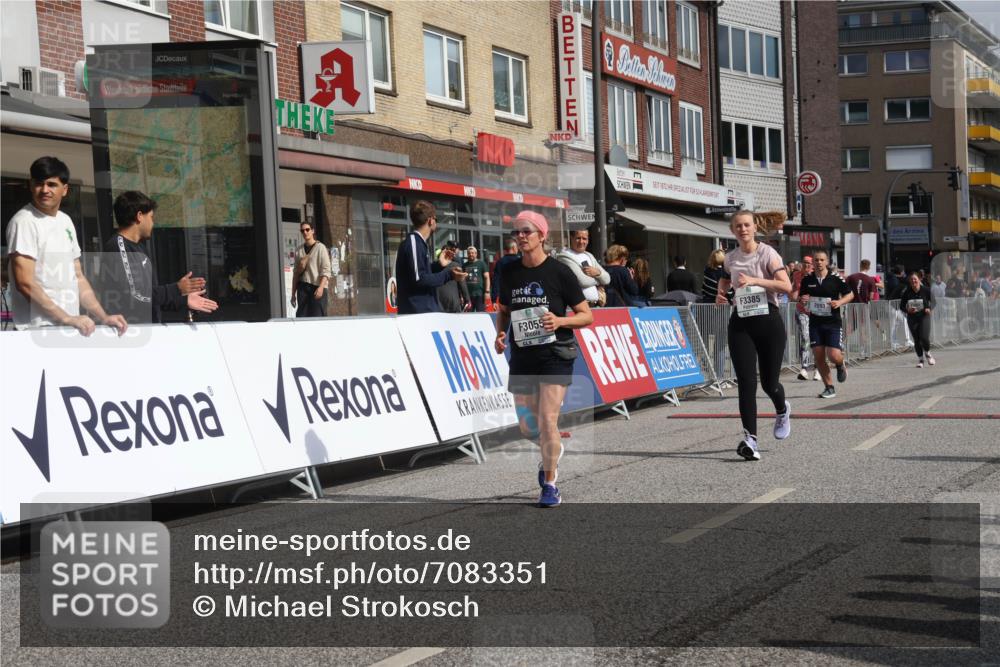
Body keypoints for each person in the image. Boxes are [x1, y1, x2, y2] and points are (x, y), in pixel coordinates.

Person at [495, 211, 592, 507]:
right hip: (522, 355)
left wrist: (560, 322)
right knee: (527, 426)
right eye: (517, 233)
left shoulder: (560, 273)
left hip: (555, 354)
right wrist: (500, 334)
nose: (521, 237)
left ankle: (550, 484)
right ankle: (551, 450)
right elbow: (503, 309)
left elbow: (586, 315)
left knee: (548, 419)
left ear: (542, 236)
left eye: (527, 232)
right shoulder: (509, 272)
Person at [6, 156, 127, 336]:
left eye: (52, 184)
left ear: (65, 189)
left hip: (68, 327)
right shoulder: (24, 222)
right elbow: (25, 282)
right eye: (39, 184)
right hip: (37, 329)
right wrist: (67, 318)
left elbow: (78, 277)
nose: (45, 190)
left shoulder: (65, 221)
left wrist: (103, 316)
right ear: (31, 186)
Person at [716, 211, 792, 461]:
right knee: (746, 383)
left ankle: (782, 410)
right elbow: (725, 280)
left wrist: (755, 281)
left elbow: (786, 286)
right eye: (738, 226)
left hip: (768, 320)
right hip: (741, 323)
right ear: (732, 230)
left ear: (754, 227)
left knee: (770, 384)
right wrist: (721, 294)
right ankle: (751, 439)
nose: (743, 229)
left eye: (747, 225)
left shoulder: (768, 253)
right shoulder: (730, 258)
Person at [100, 191, 217, 324]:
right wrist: (176, 288)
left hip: (151, 331)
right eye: (151, 217)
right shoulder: (117, 247)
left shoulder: (140, 248)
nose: (153, 223)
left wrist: (184, 301)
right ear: (139, 216)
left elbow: (151, 298)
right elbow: (136, 296)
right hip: (130, 333)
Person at [394, 200, 466, 314]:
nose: (436, 223)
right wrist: (449, 275)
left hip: (424, 311)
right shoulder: (414, 242)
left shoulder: (419, 243)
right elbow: (419, 279)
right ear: (431, 220)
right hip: (417, 313)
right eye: (436, 220)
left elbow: (418, 274)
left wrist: (438, 265)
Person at [799, 251, 854, 399]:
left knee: (833, 355)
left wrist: (840, 302)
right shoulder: (807, 280)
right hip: (815, 323)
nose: (818, 262)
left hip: (833, 323)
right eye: (816, 260)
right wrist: (803, 300)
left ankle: (840, 364)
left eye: (822, 260)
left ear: (827, 261)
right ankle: (829, 387)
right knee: (818, 357)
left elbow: (850, 294)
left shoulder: (835, 279)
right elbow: (801, 298)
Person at [555, 229, 610, 307]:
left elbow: (607, 279)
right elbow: (583, 281)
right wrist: (599, 279)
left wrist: (597, 273)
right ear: (571, 238)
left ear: (588, 240)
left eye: (584, 239)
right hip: (578, 308)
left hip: (596, 305)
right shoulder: (565, 257)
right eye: (578, 238)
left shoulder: (589, 256)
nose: (581, 242)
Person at [289, 221, 332, 317]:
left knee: (317, 319)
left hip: (317, 288)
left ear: (312, 231)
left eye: (307, 229)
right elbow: (295, 274)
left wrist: (321, 287)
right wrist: (293, 295)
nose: (305, 232)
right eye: (302, 230)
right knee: (302, 318)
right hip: (303, 288)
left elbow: (326, 270)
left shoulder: (321, 248)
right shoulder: (299, 250)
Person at [789, 255, 818, 380]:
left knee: (817, 340)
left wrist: (812, 297)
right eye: (805, 262)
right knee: (805, 337)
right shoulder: (796, 275)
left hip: (817, 312)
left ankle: (818, 369)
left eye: (809, 263)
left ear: (812, 265)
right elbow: (793, 292)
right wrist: (796, 296)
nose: (807, 265)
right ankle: (804, 368)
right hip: (802, 311)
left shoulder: (817, 275)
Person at [899, 272, 935, 368]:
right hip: (912, 318)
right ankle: (920, 360)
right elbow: (901, 306)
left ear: (919, 279)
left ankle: (927, 353)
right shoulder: (907, 292)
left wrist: (929, 309)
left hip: (924, 317)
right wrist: (907, 310)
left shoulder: (926, 290)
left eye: (915, 279)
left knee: (924, 338)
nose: (913, 281)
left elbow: (934, 301)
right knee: (917, 340)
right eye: (911, 279)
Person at [435, 241, 471, 313]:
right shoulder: (455, 265)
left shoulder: (433, 266)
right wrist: (467, 300)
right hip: (452, 302)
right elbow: (462, 283)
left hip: (438, 302)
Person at [492, 237, 520, 303]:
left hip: (504, 295)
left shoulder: (500, 262)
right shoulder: (520, 261)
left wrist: (494, 298)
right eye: (517, 247)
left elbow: (496, 280)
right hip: (518, 295)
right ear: (513, 248)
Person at [462, 245, 490, 312]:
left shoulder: (482, 264)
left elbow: (487, 278)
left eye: (472, 253)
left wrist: (487, 291)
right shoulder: (464, 266)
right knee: (469, 316)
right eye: (469, 253)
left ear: (476, 254)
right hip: (468, 295)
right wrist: (462, 295)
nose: (471, 254)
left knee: (480, 315)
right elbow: (462, 280)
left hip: (479, 294)